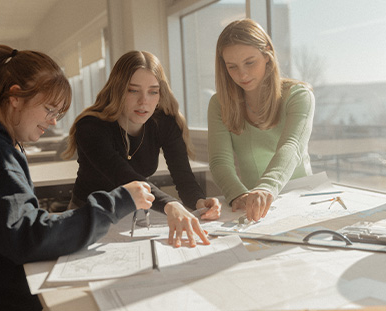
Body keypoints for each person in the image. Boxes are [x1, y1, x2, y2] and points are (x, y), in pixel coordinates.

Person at [0, 45, 154, 311]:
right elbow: (28, 237)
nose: (53, 122)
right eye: (49, 109)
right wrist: (118, 202)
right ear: (16, 97)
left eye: (58, 114)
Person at [62, 50, 221, 248]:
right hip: (89, 215)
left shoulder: (164, 123)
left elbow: (184, 178)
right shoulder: (91, 126)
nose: (144, 101)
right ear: (118, 89)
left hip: (134, 217)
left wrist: (200, 202)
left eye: (153, 91)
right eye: (133, 90)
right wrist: (171, 205)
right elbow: (124, 177)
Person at [208, 18, 315, 222]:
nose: (243, 74)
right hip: (252, 202)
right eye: (232, 67)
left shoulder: (299, 95)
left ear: (267, 54)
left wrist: (266, 188)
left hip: (301, 198)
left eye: (250, 62)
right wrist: (238, 194)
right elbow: (220, 160)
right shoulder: (219, 103)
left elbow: (291, 147)